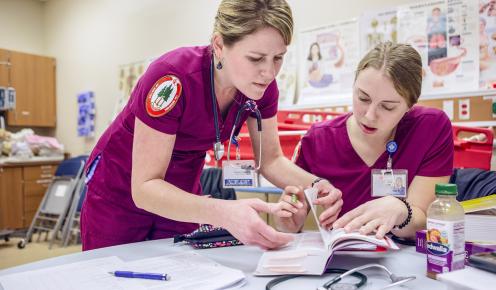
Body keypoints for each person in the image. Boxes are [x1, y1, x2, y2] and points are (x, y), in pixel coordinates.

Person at [80, 0, 343, 251]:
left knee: (181, 271)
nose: (269, 72)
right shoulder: (171, 79)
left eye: (278, 58)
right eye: (255, 58)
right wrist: (223, 211)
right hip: (122, 187)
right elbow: (145, 187)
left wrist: (318, 184)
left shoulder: (263, 88)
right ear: (219, 45)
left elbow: (271, 160)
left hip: (181, 186)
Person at [273, 42, 454, 239]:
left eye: (388, 107)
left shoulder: (430, 128)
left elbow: (422, 218)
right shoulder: (319, 140)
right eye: (363, 98)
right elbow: (293, 213)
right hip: (343, 261)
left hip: (404, 257)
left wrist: (401, 211)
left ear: (410, 105)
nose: (369, 116)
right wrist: (288, 224)